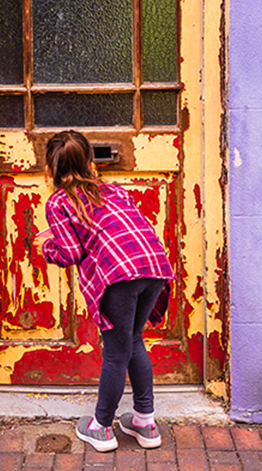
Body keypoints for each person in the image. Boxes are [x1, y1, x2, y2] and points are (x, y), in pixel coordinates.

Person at [33, 130, 175, 452]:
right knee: (134, 340)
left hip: (118, 276)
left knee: (115, 352)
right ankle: (144, 421)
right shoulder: (113, 190)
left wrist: (47, 246)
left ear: (49, 170)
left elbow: (69, 253)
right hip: (153, 266)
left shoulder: (58, 201)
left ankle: (100, 426)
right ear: (90, 163)